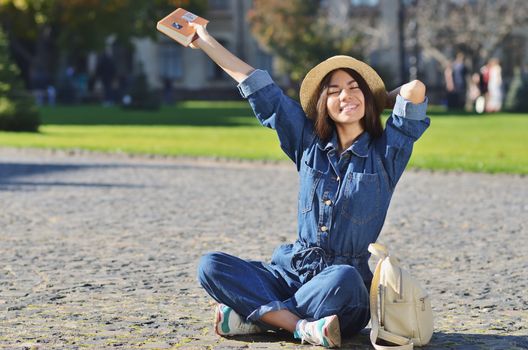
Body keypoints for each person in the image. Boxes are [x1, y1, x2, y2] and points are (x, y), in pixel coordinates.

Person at [189, 21, 429, 348]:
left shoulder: (386, 154)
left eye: (353, 87)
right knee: (211, 265)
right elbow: (259, 87)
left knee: (343, 278)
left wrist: (375, 99)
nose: (345, 95)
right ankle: (300, 326)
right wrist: (205, 41)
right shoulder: (307, 144)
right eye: (334, 91)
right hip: (291, 273)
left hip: (343, 288)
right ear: (322, 104)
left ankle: (256, 316)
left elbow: (414, 90)